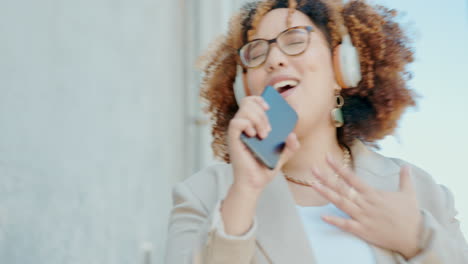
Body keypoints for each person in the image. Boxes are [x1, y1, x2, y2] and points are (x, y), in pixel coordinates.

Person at [164, 0, 468, 263]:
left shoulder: (421, 192)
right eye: (256, 53)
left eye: (295, 40)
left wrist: (417, 241)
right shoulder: (202, 195)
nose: (274, 59)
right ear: (244, 88)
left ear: (342, 68)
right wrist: (243, 196)